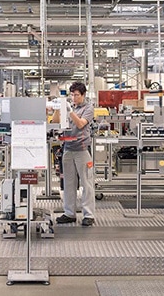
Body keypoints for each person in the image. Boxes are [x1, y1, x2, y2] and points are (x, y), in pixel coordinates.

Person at [52, 82, 95, 227]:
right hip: (68, 148)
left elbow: (81, 124)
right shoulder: (70, 107)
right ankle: (69, 213)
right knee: (69, 183)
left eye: (76, 95)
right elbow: (55, 122)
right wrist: (58, 109)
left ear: (83, 95)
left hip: (82, 150)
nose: (74, 97)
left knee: (86, 183)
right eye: (72, 95)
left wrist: (69, 111)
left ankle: (88, 214)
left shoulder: (88, 108)